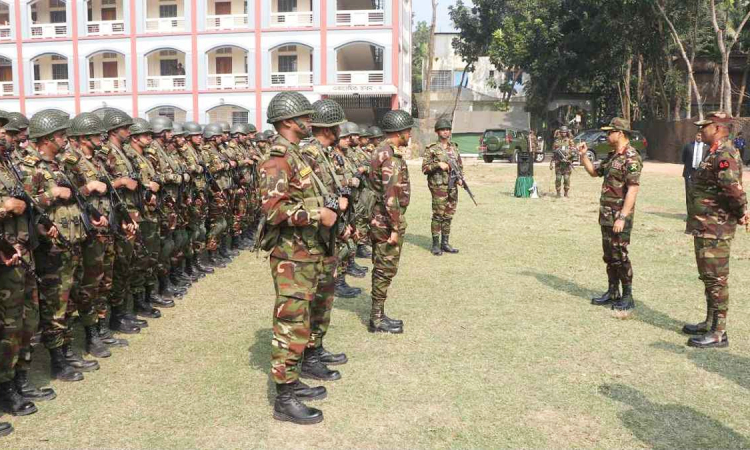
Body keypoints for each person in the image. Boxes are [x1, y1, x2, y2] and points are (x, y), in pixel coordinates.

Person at [259, 91, 334, 425]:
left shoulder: (296, 154)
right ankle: (284, 399)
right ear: (288, 121)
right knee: (290, 323)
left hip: (307, 252)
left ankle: (293, 380)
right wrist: (318, 214)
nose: (310, 122)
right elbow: (273, 212)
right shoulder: (277, 158)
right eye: (305, 117)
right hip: (291, 256)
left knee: (301, 320)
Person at [683, 112, 748, 348]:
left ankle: (719, 332)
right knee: (708, 278)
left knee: (717, 279)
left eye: (706, 126)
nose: (701, 130)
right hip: (705, 226)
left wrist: (742, 212)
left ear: (719, 128)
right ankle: (710, 322)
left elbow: (732, 189)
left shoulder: (724, 153)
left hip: (716, 228)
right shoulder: (713, 152)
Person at [577, 118, 642, 314]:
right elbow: (594, 172)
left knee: (620, 255)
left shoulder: (631, 157)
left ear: (620, 133)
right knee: (609, 255)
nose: (606, 136)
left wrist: (622, 217)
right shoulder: (614, 156)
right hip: (606, 214)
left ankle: (627, 296)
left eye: (609, 132)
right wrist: (583, 156)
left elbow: (633, 189)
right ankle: (612, 291)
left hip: (619, 217)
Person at [369, 110, 412, 334]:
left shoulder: (380, 151)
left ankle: (378, 314)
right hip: (386, 222)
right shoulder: (390, 157)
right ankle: (376, 319)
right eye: (408, 130)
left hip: (379, 218)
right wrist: (395, 227)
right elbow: (391, 195)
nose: (410, 134)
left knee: (382, 268)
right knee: (385, 269)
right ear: (400, 132)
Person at [422, 118, 462, 256]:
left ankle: (445, 243)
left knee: (449, 215)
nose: (446, 132)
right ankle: (435, 245)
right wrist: (438, 165)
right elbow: (425, 168)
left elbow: (459, 166)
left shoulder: (454, 147)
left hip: (452, 186)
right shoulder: (432, 149)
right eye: (443, 129)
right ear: (437, 132)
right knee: (438, 215)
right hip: (438, 186)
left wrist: (460, 179)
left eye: (448, 129)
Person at [681, 132, 705, 220]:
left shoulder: (707, 147)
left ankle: (699, 215)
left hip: (702, 174)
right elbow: (683, 159)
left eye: (701, 135)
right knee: (689, 194)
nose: (700, 137)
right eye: (698, 135)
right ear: (695, 135)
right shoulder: (688, 146)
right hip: (689, 173)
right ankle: (690, 215)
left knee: (701, 195)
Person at [550, 126, 575, 197]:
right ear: (560, 132)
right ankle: (558, 192)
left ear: (567, 132)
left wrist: (567, 157)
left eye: (565, 132)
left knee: (566, 178)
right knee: (558, 178)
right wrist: (551, 163)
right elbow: (553, 153)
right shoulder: (557, 141)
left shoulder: (570, 141)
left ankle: (566, 192)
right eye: (562, 132)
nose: (563, 133)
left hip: (567, 163)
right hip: (558, 163)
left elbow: (573, 151)